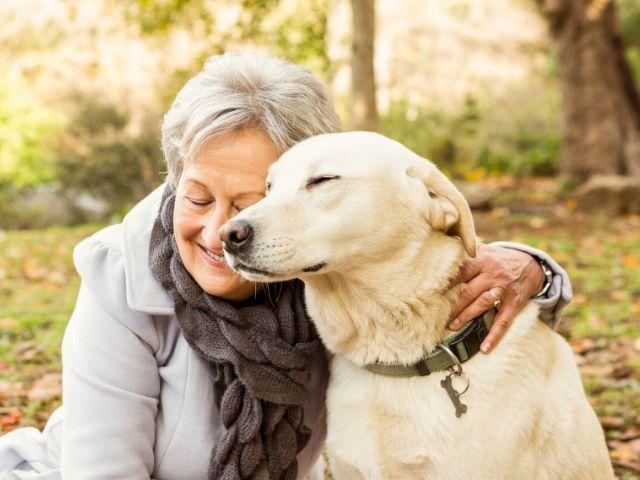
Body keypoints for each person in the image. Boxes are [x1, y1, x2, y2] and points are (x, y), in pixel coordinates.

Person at [0, 52, 571, 480]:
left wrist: (533, 266)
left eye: (250, 203)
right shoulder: (120, 276)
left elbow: (427, 256)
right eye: (196, 198)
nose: (224, 229)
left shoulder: (321, 261)